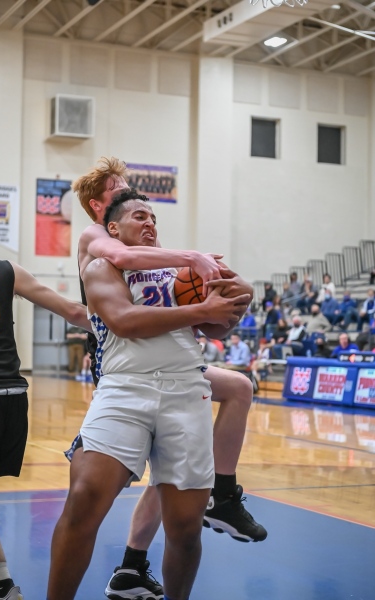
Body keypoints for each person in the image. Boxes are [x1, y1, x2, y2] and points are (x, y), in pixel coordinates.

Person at [71, 158, 267, 599]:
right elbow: (121, 265)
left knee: (232, 394)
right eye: (120, 191)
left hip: (176, 372)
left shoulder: (154, 259)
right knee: (94, 496)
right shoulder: (98, 239)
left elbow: (209, 320)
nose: (130, 195)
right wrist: (193, 257)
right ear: (99, 205)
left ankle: (145, 556)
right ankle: (213, 501)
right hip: (125, 369)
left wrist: (234, 294)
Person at [0, 220, 89, 600]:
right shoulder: (5, 270)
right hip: (10, 404)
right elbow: (74, 312)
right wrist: (124, 320)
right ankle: (4, 585)